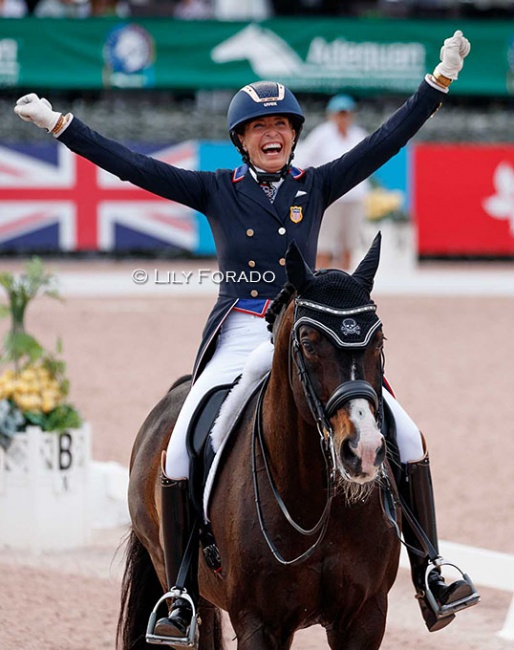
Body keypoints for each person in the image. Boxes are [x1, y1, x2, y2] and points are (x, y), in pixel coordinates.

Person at [14, 29, 479, 644]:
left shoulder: (315, 184)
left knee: (408, 432)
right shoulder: (216, 189)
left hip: (307, 328)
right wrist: (62, 127)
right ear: (241, 140)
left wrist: (436, 83)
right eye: (261, 128)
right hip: (240, 329)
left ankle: (430, 569)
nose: (273, 135)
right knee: (181, 445)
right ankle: (180, 592)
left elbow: (384, 142)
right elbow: (135, 167)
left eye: (282, 125)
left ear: (292, 133)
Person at [295, 93, 370, 270]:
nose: (343, 117)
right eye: (340, 113)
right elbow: (302, 161)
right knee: (324, 245)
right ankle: (320, 285)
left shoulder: (358, 135)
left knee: (349, 245)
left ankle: (345, 285)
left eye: (346, 113)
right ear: (331, 114)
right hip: (329, 198)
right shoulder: (321, 135)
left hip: (354, 198)